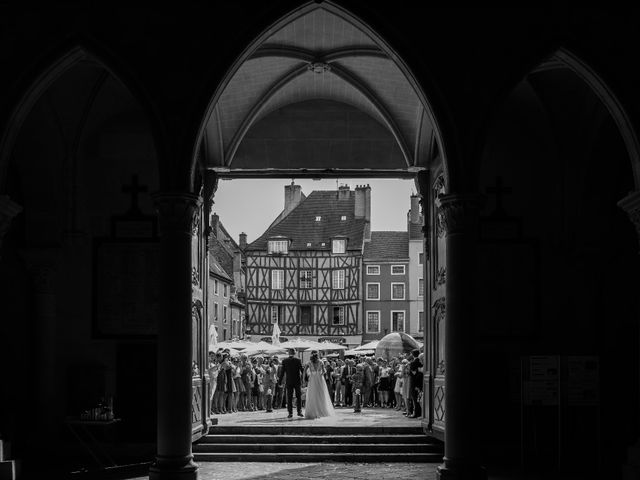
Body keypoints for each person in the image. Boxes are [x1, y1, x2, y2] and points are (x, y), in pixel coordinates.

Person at [304, 350, 335, 419]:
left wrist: (304, 378)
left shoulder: (309, 363)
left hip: (312, 379)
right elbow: (324, 371)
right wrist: (320, 373)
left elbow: (304, 371)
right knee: (321, 394)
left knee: (312, 394)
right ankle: (322, 410)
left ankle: (313, 411)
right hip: (320, 379)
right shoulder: (321, 362)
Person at [278, 348, 304, 418]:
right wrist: (306, 379)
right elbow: (302, 370)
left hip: (289, 381)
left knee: (289, 397)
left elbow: (282, 372)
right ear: (295, 353)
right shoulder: (298, 360)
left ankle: (290, 413)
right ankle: (299, 411)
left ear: (289, 353)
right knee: (298, 397)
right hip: (297, 381)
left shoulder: (285, 361)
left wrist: (279, 381)